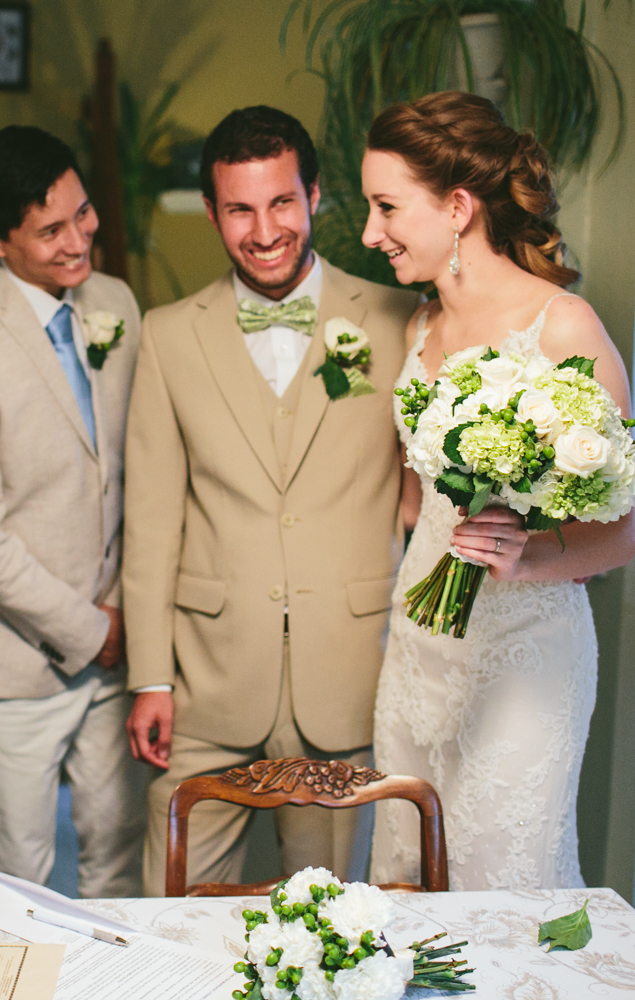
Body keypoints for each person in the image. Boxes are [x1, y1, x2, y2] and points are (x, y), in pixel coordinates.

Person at [123, 107, 419, 895]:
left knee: (331, 925)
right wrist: (150, 677)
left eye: (281, 202)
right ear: (214, 212)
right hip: (207, 678)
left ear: (316, 195)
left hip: (347, 672)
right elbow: (151, 520)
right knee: (173, 911)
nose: (263, 230)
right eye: (239, 209)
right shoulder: (166, 334)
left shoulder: (394, 319)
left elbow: (422, 495)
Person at [362, 92, 635, 890]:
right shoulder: (419, 330)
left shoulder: (563, 326)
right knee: (408, 872)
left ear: (456, 207)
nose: (370, 232)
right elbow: (419, 502)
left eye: (386, 207)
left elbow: (620, 534)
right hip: (419, 643)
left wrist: (524, 554)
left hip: (527, 651)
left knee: (500, 882)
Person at [0, 126, 146, 897]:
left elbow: (141, 475)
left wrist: (124, 610)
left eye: (84, 215)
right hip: (18, 658)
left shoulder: (114, 303)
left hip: (118, 637)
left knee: (119, 854)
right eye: (51, 230)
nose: (79, 240)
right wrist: (90, 630)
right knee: (18, 878)